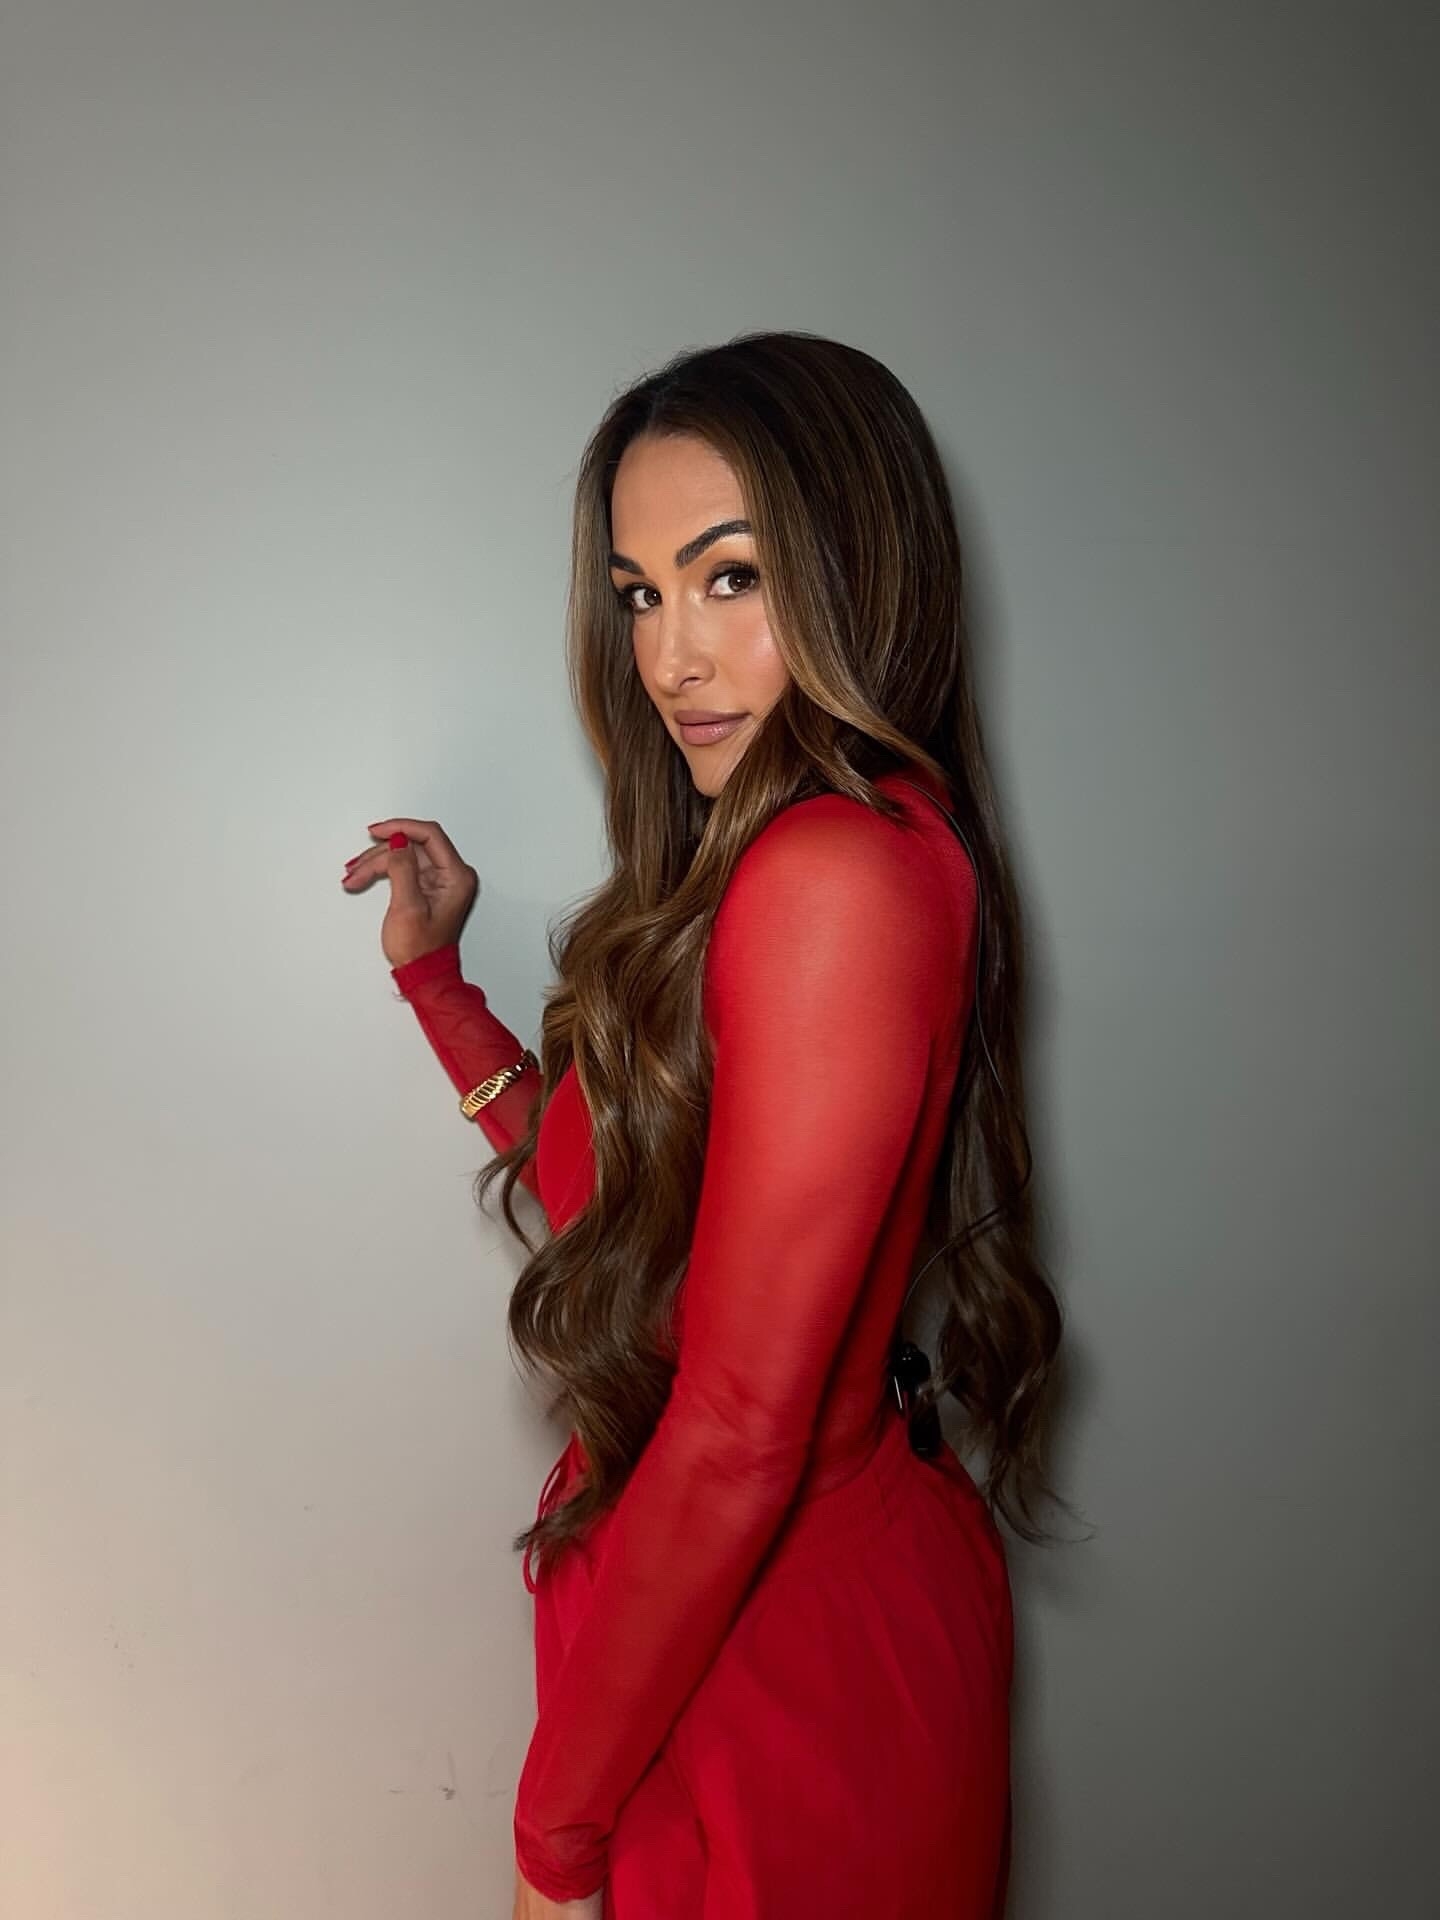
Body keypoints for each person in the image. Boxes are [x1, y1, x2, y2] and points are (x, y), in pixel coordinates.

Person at [341, 331, 1065, 1919]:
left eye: (730, 579)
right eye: (640, 594)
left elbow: (738, 1425)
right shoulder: (800, 858)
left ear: (859, 570)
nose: (671, 657)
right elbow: (629, 1213)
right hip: (697, 1614)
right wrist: (441, 987)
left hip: (776, 1656)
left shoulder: (830, 878)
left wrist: (552, 1846)